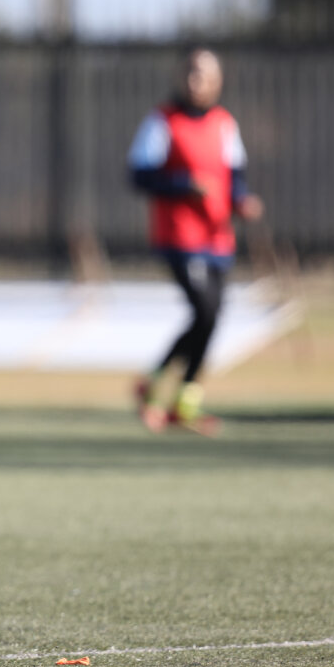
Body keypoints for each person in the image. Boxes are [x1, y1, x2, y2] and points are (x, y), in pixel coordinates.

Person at [128, 47, 264, 435]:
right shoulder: (163, 121)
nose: (195, 81)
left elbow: (235, 176)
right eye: (190, 73)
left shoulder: (224, 124)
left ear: (217, 81)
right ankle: (158, 390)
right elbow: (140, 175)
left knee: (211, 318)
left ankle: (180, 399)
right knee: (204, 312)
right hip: (179, 235)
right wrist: (183, 184)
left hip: (217, 236)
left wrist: (242, 201)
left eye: (203, 75)